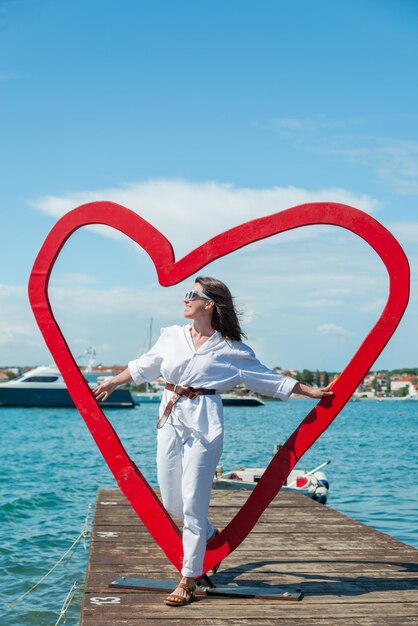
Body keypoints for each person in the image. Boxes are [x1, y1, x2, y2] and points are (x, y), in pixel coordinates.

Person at [93, 276, 334, 606]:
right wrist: (113, 382)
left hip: (205, 423)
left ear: (209, 304)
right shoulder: (172, 336)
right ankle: (210, 536)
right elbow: (144, 366)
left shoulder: (231, 349)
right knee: (172, 502)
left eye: (192, 295)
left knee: (193, 503)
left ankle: (188, 577)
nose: (185, 299)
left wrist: (310, 391)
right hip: (170, 419)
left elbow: (268, 379)